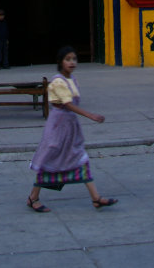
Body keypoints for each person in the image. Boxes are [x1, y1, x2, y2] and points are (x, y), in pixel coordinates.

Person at [27, 47, 118, 213]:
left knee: (80, 158)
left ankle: (96, 198)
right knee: (50, 158)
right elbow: (67, 104)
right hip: (58, 125)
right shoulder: (58, 81)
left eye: (74, 59)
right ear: (60, 62)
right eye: (68, 59)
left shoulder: (72, 80)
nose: (72, 62)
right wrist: (90, 115)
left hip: (70, 126)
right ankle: (33, 197)